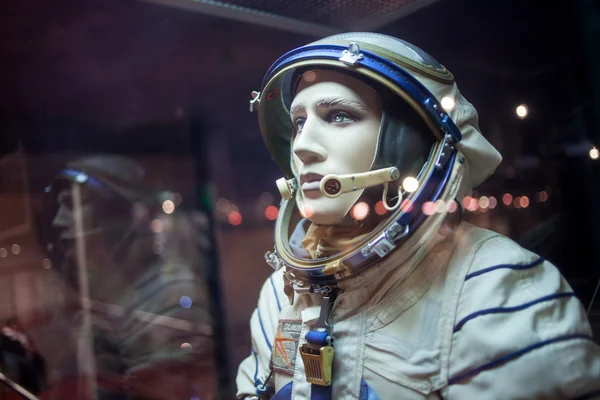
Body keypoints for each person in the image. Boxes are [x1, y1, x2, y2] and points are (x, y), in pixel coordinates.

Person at [236, 32, 600, 399]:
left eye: (339, 116)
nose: (301, 146)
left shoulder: (496, 292)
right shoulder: (283, 293)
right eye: (298, 123)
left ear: (405, 143)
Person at [40, 154, 214, 400]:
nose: (59, 221)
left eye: (73, 204)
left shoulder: (172, 299)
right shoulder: (108, 294)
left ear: (115, 211)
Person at [0, 317, 47, 395]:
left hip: (27, 354)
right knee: (29, 368)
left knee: (40, 361)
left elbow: (29, 341)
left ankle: (41, 385)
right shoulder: (6, 336)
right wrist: (26, 351)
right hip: (19, 357)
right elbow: (13, 348)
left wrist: (31, 348)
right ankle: (33, 389)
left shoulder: (20, 333)